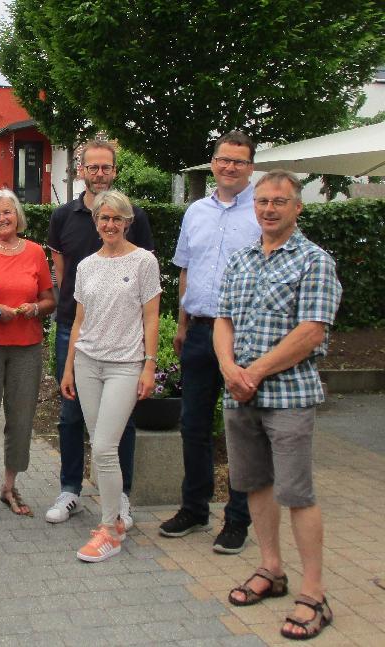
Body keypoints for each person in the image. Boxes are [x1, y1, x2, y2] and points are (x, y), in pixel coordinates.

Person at [214, 170, 341, 640]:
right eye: (262, 201)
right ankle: (272, 568)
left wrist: (254, 373)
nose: (268, 208)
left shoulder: (314, 261)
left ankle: (314, 592)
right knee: (255, 485)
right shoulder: (242, 259)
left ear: (297, 207)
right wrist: (230, 368)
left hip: (287, 395)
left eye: (279, 202)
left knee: (297, 493)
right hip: (239, 390)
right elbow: (222, 319)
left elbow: (311, 332)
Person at [159, 131, 260, 554]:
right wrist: (181, 324)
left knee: (241, 430)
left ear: (250, 166)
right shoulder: (196, 212)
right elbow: (186, 270)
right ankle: (194, 507)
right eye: (223, 159)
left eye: (239, 161)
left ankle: (238, 519)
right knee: (194, 425)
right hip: (199, 330)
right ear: (213, 163)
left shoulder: (263, 210)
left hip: (244, 334)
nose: (230, 167)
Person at [45, 140, 155, 527]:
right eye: (92, 167)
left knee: (120, 421)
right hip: (75, 329)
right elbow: (60, 269)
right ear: (81, 170)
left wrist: (147, 357)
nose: (99, 173)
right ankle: (70, 490)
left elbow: (145, 284)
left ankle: (120, 498)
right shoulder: (63, 216)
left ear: (114, 170)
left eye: (106, 167)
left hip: (123, 342)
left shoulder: (135, 216)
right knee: (70, 413)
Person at [60, 190, 161, 562]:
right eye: (104, 218)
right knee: (100, 446)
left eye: (117, 218)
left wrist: (149, 365)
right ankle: (115, 520)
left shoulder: (143, 262)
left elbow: (151, 317)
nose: (110, 224)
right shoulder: (86, 265)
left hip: (124, 364)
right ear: (96, 222)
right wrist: (69, 367)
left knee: (103, 447)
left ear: (127, 222)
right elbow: (79, 321)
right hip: (88, 363)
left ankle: (109, 530)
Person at [0, 189, 56, 519]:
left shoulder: (34, 252)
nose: (2, 218)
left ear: (17, 216)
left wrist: (34, 308)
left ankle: (9, 486)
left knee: (21, 420)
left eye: (8, 212)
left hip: (27, 347)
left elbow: (50, 299)